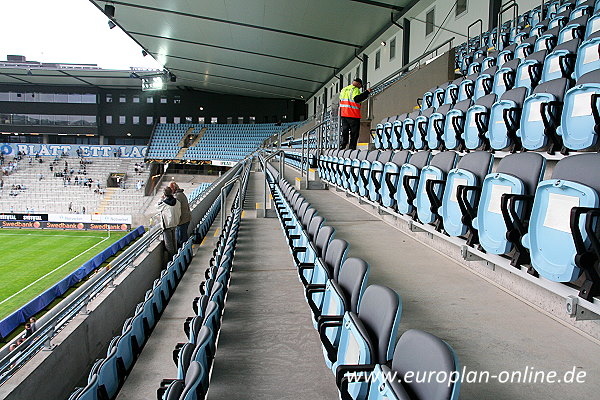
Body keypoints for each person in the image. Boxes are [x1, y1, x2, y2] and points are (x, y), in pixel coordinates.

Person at [339, 78, 372, 150]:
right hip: (352, 114)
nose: (360, 88)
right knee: (354, 132)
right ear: (358, 84)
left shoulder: (344, 89)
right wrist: (367, 92)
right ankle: (352, 147)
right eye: (360, 86)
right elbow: (357, 99)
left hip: (344, 114)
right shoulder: (355, 89)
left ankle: (343, 145)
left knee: (345, 131)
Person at [158, 186, 181, 257]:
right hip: (175, 223)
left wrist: (161, 199)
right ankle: (176, 257)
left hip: (167, 225)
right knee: (174, 241)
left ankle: (172, 259)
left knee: (169, 244)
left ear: (164, 194)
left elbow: (157, 206)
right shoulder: (177, 202)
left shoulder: (164, 204)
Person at [170, 182, 191, 247]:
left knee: (181, 239)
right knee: (184, 236)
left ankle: (184, 252)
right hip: (186, 219)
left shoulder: (177, 196)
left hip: (182, 221)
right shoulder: (181, 194)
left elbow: (174, 208)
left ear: (173, 189)